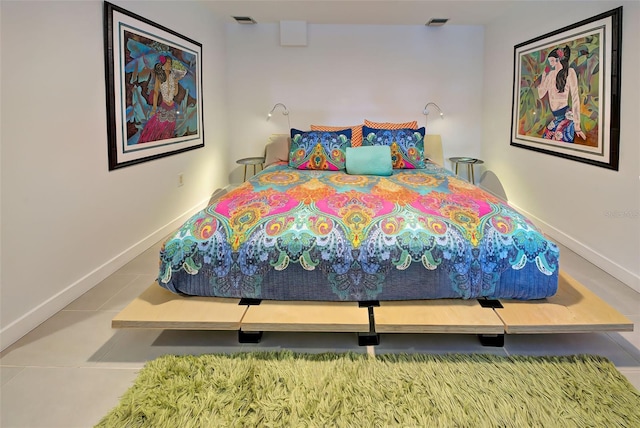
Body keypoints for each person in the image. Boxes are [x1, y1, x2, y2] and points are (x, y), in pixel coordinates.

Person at [536, 45, 586, 143]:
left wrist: (577, 126)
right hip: (556, 117)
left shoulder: (570, 72)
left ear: (557, 59)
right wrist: (543, 77)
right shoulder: (550, 75)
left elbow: (575, 97)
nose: (550, 64)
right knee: (547, 141)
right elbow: (540, 94)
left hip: (566, 115)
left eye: (551, 60)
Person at [139, 55, 183, 143]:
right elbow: (155, 93)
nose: (169, 65)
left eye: (170, 63)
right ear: (163, 64)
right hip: (164, 106)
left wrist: (176, 82)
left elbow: (175, 93)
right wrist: (154, 108)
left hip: (172, 107)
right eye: (167, 63)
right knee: (157, 129)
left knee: (168, 131)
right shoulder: (160, 78)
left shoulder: (173, 77)